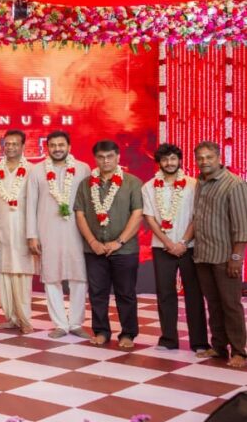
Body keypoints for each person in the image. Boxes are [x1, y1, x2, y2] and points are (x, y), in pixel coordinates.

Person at [74, 140, 143, 349]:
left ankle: (128, 334)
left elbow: (138, 214)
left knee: (126, 293)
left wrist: (119, 242)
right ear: (95, 159)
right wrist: (92, 241)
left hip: (125, 249)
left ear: (118, 157)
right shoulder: (85, 184)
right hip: (94, 250)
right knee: (97, 293)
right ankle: (101, 331)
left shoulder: (132, 182)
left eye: (110, 156)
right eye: (101, 157)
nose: (106, 161)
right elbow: (80, 214)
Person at [142, 143, 207, 352]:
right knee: (165, 293)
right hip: (161, 247)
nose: (169, 163)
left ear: (179, 160)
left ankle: (199, 342)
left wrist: (183, 242)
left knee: (194, 294)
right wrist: (168, 243)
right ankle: (168, 339)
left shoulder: (193, 184)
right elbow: (150, 218)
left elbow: (197, 216)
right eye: (165, 159)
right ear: (159, 162)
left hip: (190, 247)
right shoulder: (149, 187)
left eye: (173, 158)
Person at [26, 131, 90, 339]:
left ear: (69, 147)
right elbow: (31, 204)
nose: (57, 149)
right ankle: (60, 324)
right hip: (47, 230)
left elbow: (90, 202)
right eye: (53, 145)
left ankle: (76, 323)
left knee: (79, 277)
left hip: (77, 231)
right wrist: (32, 235)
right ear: (47, 148)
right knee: (51, 277)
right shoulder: (37, 171)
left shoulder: (83, 168)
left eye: (61, 145)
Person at [192, 141, 247, 367]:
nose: (204, 161)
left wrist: (236, 257)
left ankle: (239, 351)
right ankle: (218, 346)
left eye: (209, 157)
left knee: (231, 305)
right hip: (203, 255)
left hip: (225, 257)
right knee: (213, 304)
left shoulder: (234, 184)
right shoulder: (200, 182)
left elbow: (242, 226)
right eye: (200, 158)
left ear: (219, 158)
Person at [0, 129, 36, 333]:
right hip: (0, 231)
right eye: (7, 144)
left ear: (23, 146)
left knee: (22, 275)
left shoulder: (32, 170)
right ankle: (11, 318)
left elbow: (36, 204)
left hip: (24, 231)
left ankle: (25, 319)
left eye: (15, 144)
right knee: (4, 275)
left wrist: (34, 234)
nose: (11, 147)